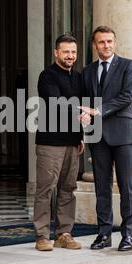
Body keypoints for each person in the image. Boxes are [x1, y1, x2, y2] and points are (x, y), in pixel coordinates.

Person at [79, 26, 132, 252]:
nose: (106, 45)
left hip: (124, 135)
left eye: (109, 41)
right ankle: (104, 234)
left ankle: (127, 235)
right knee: (101, 188)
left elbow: (126, 97)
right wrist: (85, 115)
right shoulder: (87, 71)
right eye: (101, 42)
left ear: (114, 43)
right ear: (94, 46)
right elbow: (84, 100)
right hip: (98, 137)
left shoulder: (128, 66)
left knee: (127, 187)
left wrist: (97, 110)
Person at [34, 34, 85, 252]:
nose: (70, 56)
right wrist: (81, 112)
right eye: (66, 52)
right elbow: (56, 104)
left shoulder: (78, 77)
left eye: (73, 52)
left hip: (72, 141)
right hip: (50, 141)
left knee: (68, 188)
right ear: (56, 53)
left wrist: (80, 135)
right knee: (46, 188)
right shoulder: (47, 76)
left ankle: (64, 233)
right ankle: (42, 235)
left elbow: (81, 105)